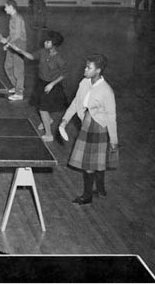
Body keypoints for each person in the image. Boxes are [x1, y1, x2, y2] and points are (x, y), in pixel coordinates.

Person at [59, 54, 119, 205]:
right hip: (86, 123)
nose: (85, 69)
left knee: (89, 165)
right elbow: (75, 103)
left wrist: (114, 140)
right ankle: (100, 189)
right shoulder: (84, 83)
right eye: (85, 66)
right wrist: (64, 120)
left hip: (98, 127)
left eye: (89, 67)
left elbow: (111, 117)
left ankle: (87, 196)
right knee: (96, 162)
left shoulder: (106, 91)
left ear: (98, 70)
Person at [7, 31, 67, 141]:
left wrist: (52, 84)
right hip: (41, 83)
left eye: (48, 42)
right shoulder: (43, 52)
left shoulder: (59, 59)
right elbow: (31, 56)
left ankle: (49, 135)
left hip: (52, 86)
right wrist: (18, 50)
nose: (45, 42)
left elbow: (64, 74)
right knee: (41, 106)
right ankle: (48, 120)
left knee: (43, 109)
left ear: (53, 45)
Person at [0, 0, 27, 100]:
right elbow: (12, 34)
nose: (5, 8)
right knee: (7, 66)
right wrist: (6, 39)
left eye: (6, 7)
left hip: (19, 46)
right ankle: (17, 86)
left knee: (18, 70)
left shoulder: (18, 18)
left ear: (11, 7)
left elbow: (17, 35)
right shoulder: (12, 18)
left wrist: (7, 44)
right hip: (12, 44)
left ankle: (19, 93)